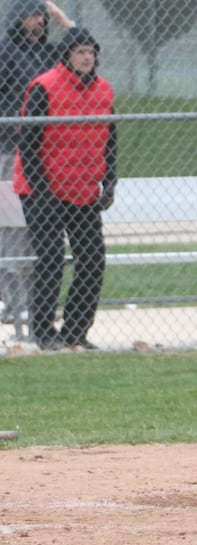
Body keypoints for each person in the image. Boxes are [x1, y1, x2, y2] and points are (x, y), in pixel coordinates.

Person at [14, 26, 117, 351]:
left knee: (92, 258)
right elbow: (28, 143)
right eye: (80, 51)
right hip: (42, 190)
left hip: (83, 190)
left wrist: (110, 181)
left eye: (91, 52)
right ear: (67, 56)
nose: (87, 57)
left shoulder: (104, 91)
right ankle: (44, 332)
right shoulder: (44, 87)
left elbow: (110, 140)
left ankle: (75, 331)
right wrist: (41, 191)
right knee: (51, 258)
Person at [0, 0, 75, 330]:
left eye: (41, 17)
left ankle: (30, 301)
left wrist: (62, 19)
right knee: (10, 226)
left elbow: (81, 47)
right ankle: (11, 300)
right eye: (32, 16)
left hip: (44, 151)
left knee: (36, 227)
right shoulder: (5, 52)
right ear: (18, 18)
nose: (38, 22)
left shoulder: (49, 54)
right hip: (9, 149)